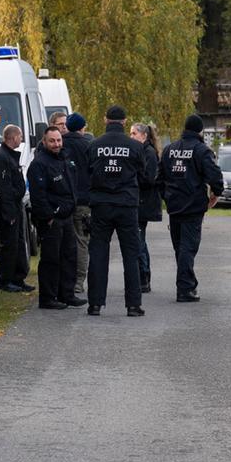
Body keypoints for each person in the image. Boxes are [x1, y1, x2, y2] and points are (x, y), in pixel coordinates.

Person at [85, 105, 153, 317]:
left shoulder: (94, 145)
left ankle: (95, 304)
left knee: (97, 254)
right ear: (124, 122)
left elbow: (88, 172)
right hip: (126, 205)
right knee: (131, 255)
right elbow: (142, 174)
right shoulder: (135, 146)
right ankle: (133, 305)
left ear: (106, 120)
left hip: (101, 205)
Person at [160, 114, 224, 303]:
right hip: (193, 206)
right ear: (200, 131)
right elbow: (214, 174)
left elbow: (159, 176)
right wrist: (216, 193)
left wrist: (166, 196)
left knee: (179, 247)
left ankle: (185, 284)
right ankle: (185, 288)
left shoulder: (169, 149)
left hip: (174, 205)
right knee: (188, 247)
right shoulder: (202, 150)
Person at [26, 125, 78, 309]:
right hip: (52, 220)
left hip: (67, 217)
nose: (56, 144)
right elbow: (38, 196)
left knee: (69, 256)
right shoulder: (39, 164)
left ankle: (67, 294)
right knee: (51, 259)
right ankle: (48, 297)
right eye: (52, 141)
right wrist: (48, 217)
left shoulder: (64, 159)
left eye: (58, 140)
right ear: (44, 141)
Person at [0, 124, 32, 294]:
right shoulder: (1, 158)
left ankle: (18, 278)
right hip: (8, 206)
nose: (21, 139)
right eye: (20, 136)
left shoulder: (9, 156)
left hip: (15, 204)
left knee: (19, 243)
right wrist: (9, 212)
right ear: (13, 137)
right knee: (8, 244)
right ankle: (5, 279)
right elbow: (3, 187)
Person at [62, 112, 95, 298]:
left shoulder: (61, 143)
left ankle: (64, 279)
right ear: (82, 127)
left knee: (64, 242)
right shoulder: (88, 146)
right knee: (81, 241)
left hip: (63, 199)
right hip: (83, 201)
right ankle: (78, 281)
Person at [130, 122, 162, 293]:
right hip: (139, 201)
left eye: (134, 133)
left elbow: (149, 178)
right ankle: (141, 277)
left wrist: (132, 177)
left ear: (144, 135)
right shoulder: (142, 151)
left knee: (139, 241)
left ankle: (144, 277)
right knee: (138, 240)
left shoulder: (148, 153)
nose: (131, 137)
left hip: (143, 203)